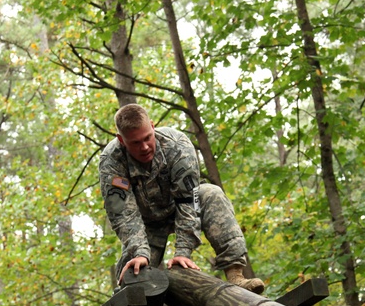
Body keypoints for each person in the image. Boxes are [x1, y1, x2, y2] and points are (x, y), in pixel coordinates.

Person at [99, 103, 264, 293]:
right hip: (145, 224)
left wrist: (183, 252)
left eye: (147, 138)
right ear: (121, 140)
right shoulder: (111, 162)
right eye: (135, 143)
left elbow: (189, 202)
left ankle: (236, 277)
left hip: (180, 207)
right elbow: (123, 214)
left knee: (211, 193)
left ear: (152, 126)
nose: (144, 147)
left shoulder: (178, 146)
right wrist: (140, 253)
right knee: (132, 278)